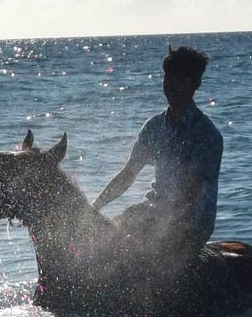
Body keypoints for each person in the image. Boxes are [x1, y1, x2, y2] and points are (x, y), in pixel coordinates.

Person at [92, 45, 223, 261]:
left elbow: (192, 194)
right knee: (103, 240)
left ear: (195, 84)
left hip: (191, 223)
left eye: (180, 78)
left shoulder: (206, 134)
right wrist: (94, 208)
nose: (171, 85)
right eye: (168, 77)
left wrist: (156, 223)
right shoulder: (154, 127)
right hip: (152, 211)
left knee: (139, 256)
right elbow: (128, 174)